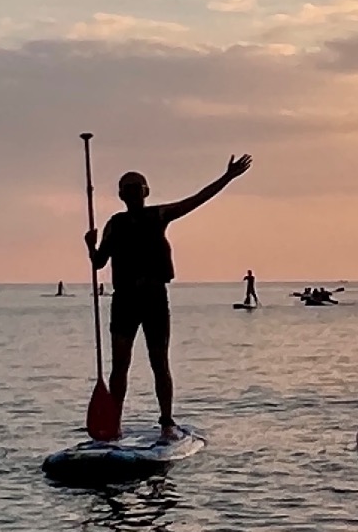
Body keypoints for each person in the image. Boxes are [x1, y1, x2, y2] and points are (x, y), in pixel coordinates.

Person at [87, 154, 254, 437]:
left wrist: (227, 177)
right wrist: (91, 246)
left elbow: (196, 200)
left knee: (159, 361)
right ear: (120, 194)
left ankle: (166, 421)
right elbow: (99, 262)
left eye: (136, 186)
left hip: (153, 298)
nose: (131, 191)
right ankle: (113, 424)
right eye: (126, 187)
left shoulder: (158, 216)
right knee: (120, 365)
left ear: (145, 191)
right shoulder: (115, 224)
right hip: (125, 300)